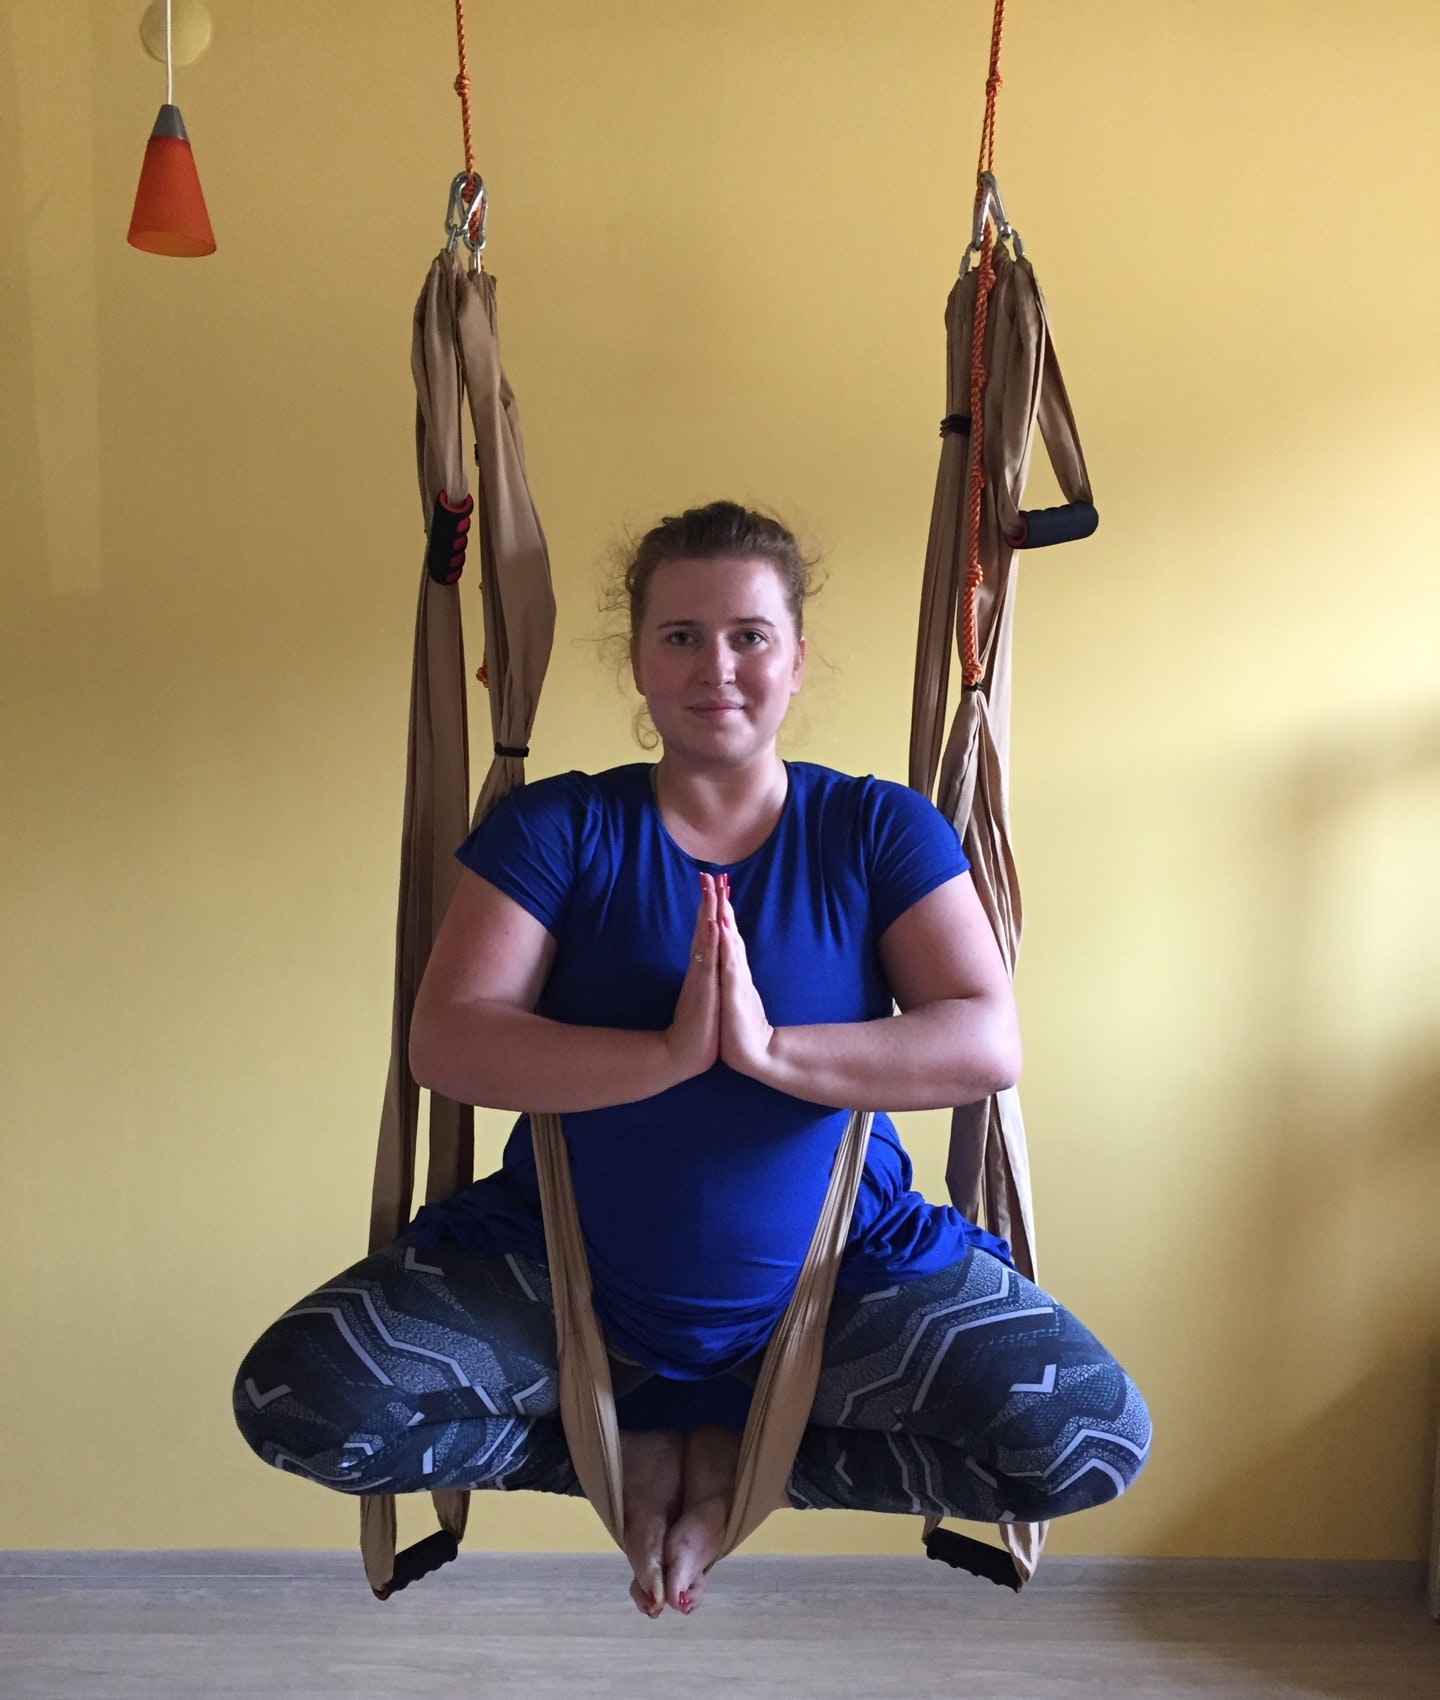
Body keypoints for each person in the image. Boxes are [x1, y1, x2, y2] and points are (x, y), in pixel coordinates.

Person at [235, 501, 1150, 1617]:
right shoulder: (560, 829)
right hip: (567, 1280)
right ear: (639, 661)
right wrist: (670, 1053)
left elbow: (983, 1043)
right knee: (297, 1404)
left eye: (749, 635)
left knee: (1089, 1438)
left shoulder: (877, 829)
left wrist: (765, 1052)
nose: (716, 666)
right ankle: (621, 1447)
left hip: (841, 1278)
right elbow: (451, 1041)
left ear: (796, 659)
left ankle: (744, 1456)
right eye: (681, 636)